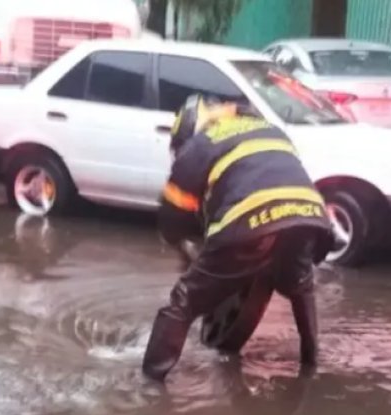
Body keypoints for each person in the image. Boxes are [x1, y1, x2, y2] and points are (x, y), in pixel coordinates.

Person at [142, 94, 334, 382]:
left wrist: (184, 248)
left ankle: (149, 383)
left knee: (184, 300)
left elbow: (173, 215)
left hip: (249, 219)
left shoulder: (200, 144)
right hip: (309, 215)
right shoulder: (270, 129)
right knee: (299, 284)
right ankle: (311, 364)